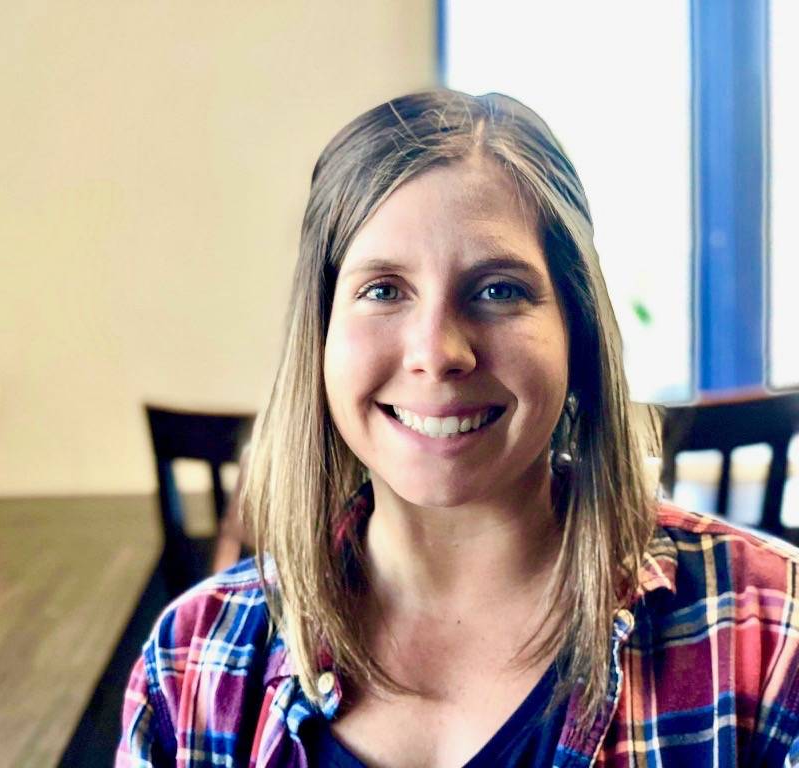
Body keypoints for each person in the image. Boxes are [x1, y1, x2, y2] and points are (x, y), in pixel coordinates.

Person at [117, 90, 799, 767]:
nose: (439, 352)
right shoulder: (192, 667)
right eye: (383, 289)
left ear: (577, 329)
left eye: (498, 289)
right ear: (320, 337)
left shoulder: (768, 636)